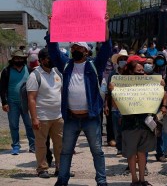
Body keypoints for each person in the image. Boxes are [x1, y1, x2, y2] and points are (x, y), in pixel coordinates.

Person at [46, 14, 111, 186]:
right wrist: (51, 24)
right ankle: (62, 180)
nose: (75, 49)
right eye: (73, 46)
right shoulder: (66, 65)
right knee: (66, 151)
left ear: (86, 51)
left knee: (97, 151)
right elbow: (52, 47)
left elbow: (106, 49)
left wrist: (105, 24)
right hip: (71, 118)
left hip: (91, 118)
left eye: (79, 47)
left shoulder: (94, 66)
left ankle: (102, 181)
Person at [121, 58, 167, 186]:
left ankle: (142, 179)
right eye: (138, 70)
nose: (142, 72)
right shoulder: (123, 84)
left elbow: (164, 94)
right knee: (131, 152)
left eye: (142, 70)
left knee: (142, 152)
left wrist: (161, 87)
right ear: (131, 72)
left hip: (146, 122)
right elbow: (116, 103)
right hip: (130, 123)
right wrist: (114, 90)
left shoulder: (150, 81)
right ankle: (134, 180)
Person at [26, 48, 63, 178]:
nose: (52, 60)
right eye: (49, 58)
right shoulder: (34, 75)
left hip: (58, 117)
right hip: (42, 117)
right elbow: (31, 98)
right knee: (41, 145)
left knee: (60, 145)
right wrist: (34, 118)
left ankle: (60, 168)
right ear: (41, 60)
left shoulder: (57, 72)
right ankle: (42, 169)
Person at [0, 49, 35, 155]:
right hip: (12, 102)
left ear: (24, 59)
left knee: (29, 124)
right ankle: (16, 146)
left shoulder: (29, 70)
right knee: (14, 125)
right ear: (13, 59)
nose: (18, 60)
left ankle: (33, 145)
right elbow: (2, 89)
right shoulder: (7, 71)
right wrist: (4, 102)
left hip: (27, 103)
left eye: (21, 58)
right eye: (16, 58)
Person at [105, 49, 129, 155]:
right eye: (121, 59)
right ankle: (119, 148)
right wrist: (106, 105)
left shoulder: (131, 74)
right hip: (115, 106)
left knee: (127, 129)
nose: (123, 61)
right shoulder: (112, 74)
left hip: (128, 106)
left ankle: (127, 147)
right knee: (117, 129)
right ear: (118, 61)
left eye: (125, 59)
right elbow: (107, 92)